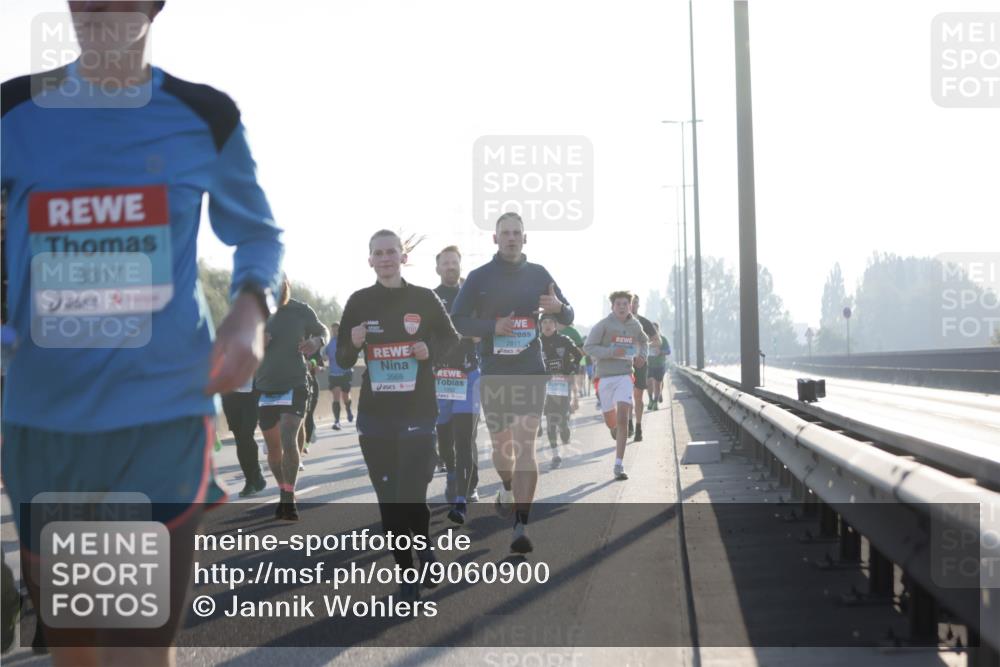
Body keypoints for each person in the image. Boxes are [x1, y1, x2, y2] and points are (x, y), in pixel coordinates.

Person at [0, 2, 283, 664]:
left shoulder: (204, 115)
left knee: (134, 639)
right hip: (45, 420)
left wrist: (248, 310)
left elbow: (258, 233)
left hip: (160, 414)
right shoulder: (12, 112)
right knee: (74, 641)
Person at [337, 230, 459, 601]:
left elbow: (452, 341)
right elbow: (341, 359)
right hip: (375, 418)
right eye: (379, 253)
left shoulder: (424, 298)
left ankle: (424, 549)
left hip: (419, 412)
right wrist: (354, 343)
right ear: (370, 259)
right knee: (389, 499)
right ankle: (407, 570)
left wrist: (430, 349)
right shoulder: (358, 302)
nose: (386, 258)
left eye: (392, 251)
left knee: (411, 493)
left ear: (402, 257)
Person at [452, 212, 573, 553]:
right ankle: (506, 487)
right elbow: (458, 320)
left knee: (525, 446)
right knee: (502, 447)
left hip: (530, 371)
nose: (511, 237)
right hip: (494, 373)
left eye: (516, 232)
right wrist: (494, 328)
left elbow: (568, 313)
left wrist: (558, 307)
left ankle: (521, 524)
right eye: (504, 232)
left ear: (525, 237)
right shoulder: (479, 278)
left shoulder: (538, 274)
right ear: (495, 238)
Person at [255, 275, 328, 520]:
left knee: (289, 435)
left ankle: (288, 497)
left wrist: (317, 341)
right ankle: (282, 487)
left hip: (296, 382)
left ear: (286, 283)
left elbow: (322, 330)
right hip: (265, 386)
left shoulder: (300, 310)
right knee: (274, 449)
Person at [432, 245, 481, 523]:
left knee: (465, 437)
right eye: (445, 263)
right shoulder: (431, 298)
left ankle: (464, 492)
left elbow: (483, 331)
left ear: (460, 266)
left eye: (454, 262)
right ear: (438, 268)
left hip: (470, 374)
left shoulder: (471, 297)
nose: (450, 266)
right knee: (445, 437)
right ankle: (452, 475)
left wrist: (478, 334)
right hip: (441, 378)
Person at [584, 291, 649, 480]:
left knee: (623, 419)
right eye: (618, 304)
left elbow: (644, 341)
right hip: (605, 377)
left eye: (625, 304)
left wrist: (642, 356)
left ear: (630, 306)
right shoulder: (604, 325)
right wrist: (611, 351)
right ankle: (613, 428)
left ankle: (618, 465)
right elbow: (589, 347)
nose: (622, 307)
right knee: (611, 422)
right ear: (612, 307)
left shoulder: (634, 324)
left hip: (625, 375)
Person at [540, 314, 583, 468]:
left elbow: (578, 356)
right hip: (546, 387)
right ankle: (555, 455)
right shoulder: (535, 343)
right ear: (540, 325)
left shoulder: (564, 340)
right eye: (544, 322)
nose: (547, 325)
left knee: (562, 420)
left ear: (555, 325)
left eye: (550, 322)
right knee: (551, 421)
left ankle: (565, 428)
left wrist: (571, 370)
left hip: (563, 385)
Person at [221, 379, 267, 497]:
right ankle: (250, 481)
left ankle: (255, 474)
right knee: (239, 439)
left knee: (246, 435)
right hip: (230, 395)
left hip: (251, 395)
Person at [628, 294, 658, 442]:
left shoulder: (644, 323)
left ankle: (638, 426)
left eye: (636, 303)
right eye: (631, 303)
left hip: (640, 362)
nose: (633, 306)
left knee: (637, 396)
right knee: (625, 395)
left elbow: (656, 340)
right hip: (623, 363)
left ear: (638, 305)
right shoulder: (619, 322)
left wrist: (643, 348)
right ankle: (629, 423)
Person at [323, 322, 355, 430]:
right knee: (336, 396)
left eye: (336, 330)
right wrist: (324, 357)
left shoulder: (346, 341)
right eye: (333, 330)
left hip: (345, 373)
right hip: (334, 374)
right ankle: (337, 421)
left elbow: (354, 353)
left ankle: (348, 408)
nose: (334, 332)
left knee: (345, 396)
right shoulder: (329, 343)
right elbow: (324, 355)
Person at [558, 323, 586, 408]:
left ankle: (575, 400)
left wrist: (574, 358)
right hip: (556, 364)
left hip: (571, 362)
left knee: (572, 382)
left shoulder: (572, 331)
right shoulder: (548, 330)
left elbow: (581, 349)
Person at [646, 322, 671, 409]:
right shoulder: (646, 338)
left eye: (655, 329)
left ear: (658, 330)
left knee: (657, 384)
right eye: (651, 329)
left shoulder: (663, 339)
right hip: (648, 364)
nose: (653, 331)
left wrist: (660, 352)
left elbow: (668, 351)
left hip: (659, 364)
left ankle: (655, 402)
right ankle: (650, 400)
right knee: (648, 384)